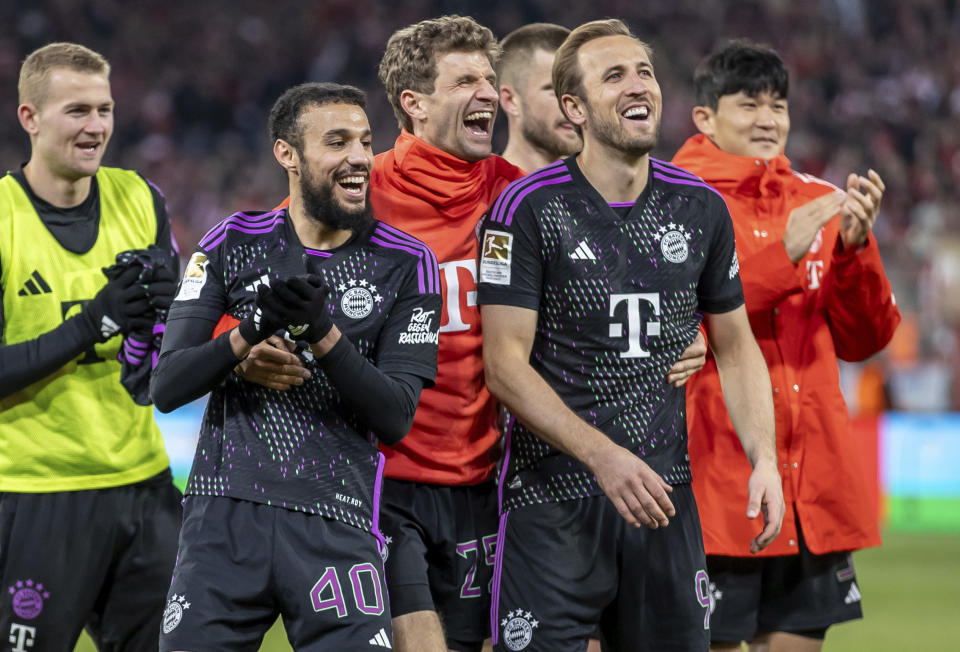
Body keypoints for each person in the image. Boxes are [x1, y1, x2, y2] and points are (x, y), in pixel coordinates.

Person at [248, 16, 705, 652]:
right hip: (381, 476)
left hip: (487, 481)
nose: (488, 93)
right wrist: (244, 348)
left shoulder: (519, 199)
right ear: (415, 103)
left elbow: (616, 297)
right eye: (466, 80)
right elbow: (248, 267)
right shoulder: (362, 191)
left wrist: (684, 333)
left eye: (490, 78)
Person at [478, 20, 785, 652]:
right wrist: (601, 456)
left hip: (664, 499)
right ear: (575, 108)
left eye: (642, 71)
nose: (637, 84)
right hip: (553, 500)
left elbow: (736, 346)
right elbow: (504, 366)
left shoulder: (700, 208)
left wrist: (766, 460)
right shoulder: (526, 210)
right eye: (613, 75)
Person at [151, 82, 441, 651]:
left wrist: (323, 333)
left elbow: (396, 415)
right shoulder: (232, 240)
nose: (359, 157)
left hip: (337, 522)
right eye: (337, 142)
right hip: (224, 515)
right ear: (288, 154)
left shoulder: (408, 263)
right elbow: (168, 383)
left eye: (364, 141)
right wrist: (246, 339)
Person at [673, 40, 901, 652]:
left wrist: (854, 252)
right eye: (748, 105)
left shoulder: (814, 200)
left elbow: (865, 339)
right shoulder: (671, 201)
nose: (768, 119)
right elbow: (674, 330)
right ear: (705, 117)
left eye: (778, 105)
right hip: (717, 480)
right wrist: (782, 259)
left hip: (813, 487)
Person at [0, 42, 180, 651]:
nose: (96, 127)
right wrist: (92, 325)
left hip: (144, 486)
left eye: (104, 109)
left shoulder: (140, 198)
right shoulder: (1, 219)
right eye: (77, 110)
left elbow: (162, 354)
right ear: (30, 118)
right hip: (35, 496)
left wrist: (171, 309)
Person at [498, 23, 581, 173]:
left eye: (580, 90)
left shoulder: (606, 189)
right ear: (510, 100)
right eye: (555, 90)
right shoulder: (485, 193)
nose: (574, 105)